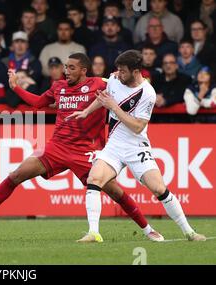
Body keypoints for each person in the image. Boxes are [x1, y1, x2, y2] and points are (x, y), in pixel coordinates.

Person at [0, 53, 164, 243]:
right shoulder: (58, 86)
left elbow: (129, 81)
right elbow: (38, 103)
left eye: (71, 68)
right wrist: (16, 88)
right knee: (16, 175)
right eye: (65, 67)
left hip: (86, 151)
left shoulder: (100, 83)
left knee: (115, 192)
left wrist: (127, 79)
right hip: (57, 148)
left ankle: (148, 230)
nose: (66, 71)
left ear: (83, 70)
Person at [69, 50, 206, 241]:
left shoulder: (147, 93)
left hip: (136, 147)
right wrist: (86, 112)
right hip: (114, 145)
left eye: (123, 71)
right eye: (118, 70)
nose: (119, 74)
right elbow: (105, 97)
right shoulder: (116, 79)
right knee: (94, 178)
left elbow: (137, 126)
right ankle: (93, 233)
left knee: (159, 189)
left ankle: (189, 233)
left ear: (135, 71)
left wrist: (114, 107)